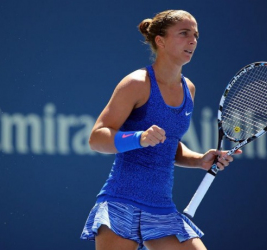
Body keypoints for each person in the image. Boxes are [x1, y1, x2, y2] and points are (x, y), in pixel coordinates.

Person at [80, 9, 242, 250]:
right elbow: (96, 138)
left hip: (162, 209)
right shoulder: (136, 83)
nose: (193, 40)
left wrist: (199, 160)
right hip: (120, 203)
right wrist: (139, 137)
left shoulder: (189, 89)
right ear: (160, 40)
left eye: (196, 35)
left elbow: (169, 145)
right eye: (184, 33)